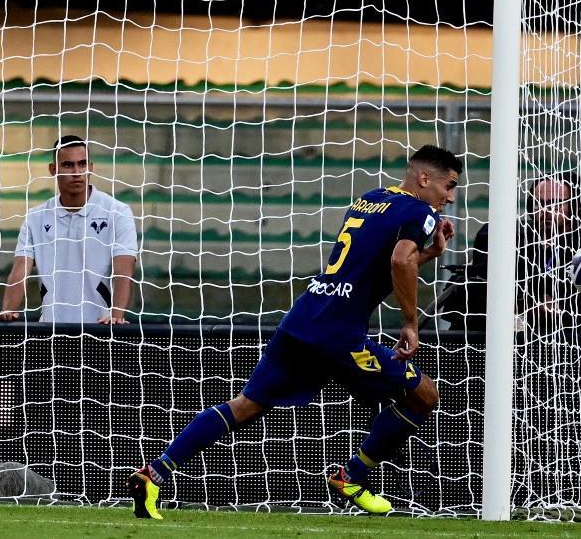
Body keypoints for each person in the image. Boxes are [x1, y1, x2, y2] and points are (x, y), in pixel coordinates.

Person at [127, 145, 460, 520]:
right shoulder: (420, 211)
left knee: (245, 406)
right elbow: (400, 260)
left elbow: (378, 261)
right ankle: (351, 477)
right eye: (448, 186)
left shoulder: (371, 199)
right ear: (424, 178)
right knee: (425, 396)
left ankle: (153, 474)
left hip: (304, 318)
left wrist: (430, 253)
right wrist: (411, 323)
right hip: (339, 335)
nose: (449, 197)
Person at [437, 172, 581, 332]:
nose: (547, 211)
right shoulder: (500, 235)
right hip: (488, 338)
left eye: (557, 203)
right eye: (540, 203)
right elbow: (486, 290)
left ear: (578, 205)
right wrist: (531, 304)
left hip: (565, 342)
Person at [0, 135, 138, 324]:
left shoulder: (117, 212)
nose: (77, 172)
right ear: (53, 170)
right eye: (68, 165)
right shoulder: (36, 217)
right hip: (50, 330)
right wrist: (8, 311)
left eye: (82, 164)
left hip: (101, 330)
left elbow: (124, 273)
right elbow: (19, 272)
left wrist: (116, 317)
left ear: (91, 167)